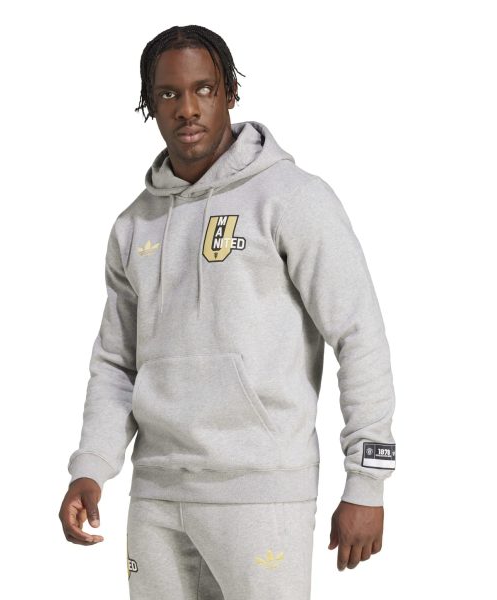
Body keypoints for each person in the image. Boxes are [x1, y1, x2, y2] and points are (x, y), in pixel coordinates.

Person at [58, 24, 397, 600]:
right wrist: (90, 467)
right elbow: (117, 364)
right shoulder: (134, 225)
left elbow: (358, 334)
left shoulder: (292, 198)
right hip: (156, 494)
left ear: (230, 92)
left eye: (204, 89)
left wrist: (367, 482)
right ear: (149, 103)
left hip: (261, 491)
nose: (187, 108)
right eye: (169, 93)